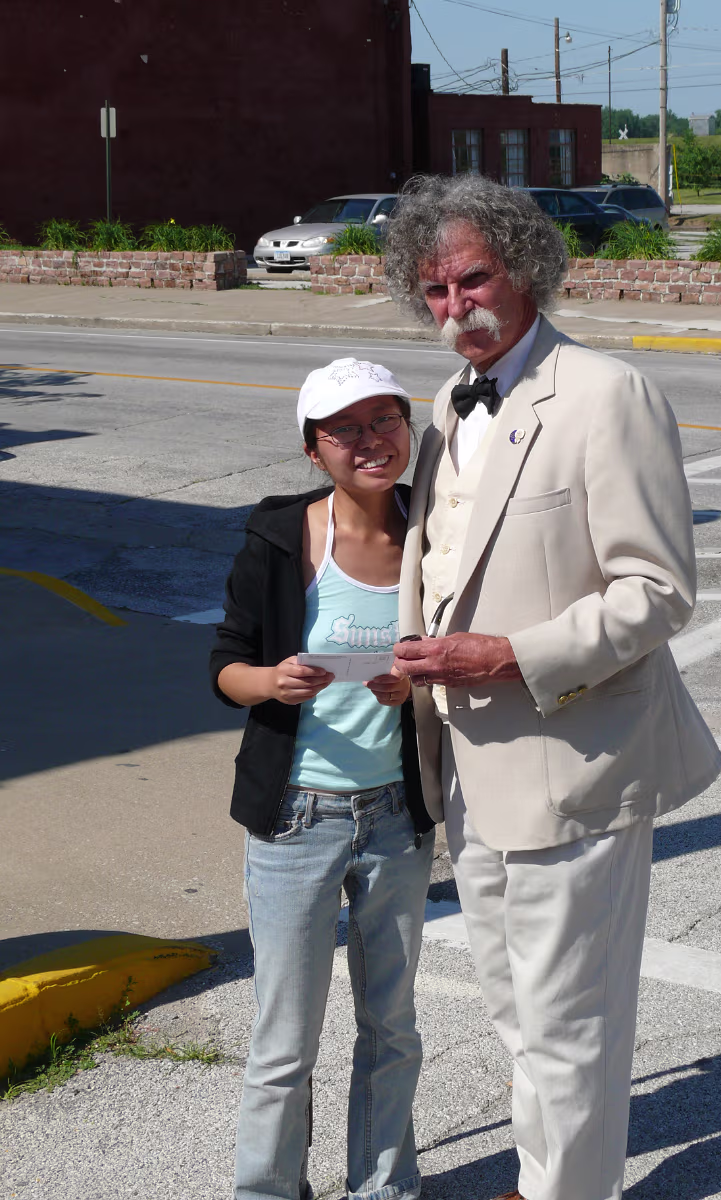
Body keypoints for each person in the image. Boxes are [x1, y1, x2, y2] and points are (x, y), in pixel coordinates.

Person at [383, 175, 721, 1200]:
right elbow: (441, 560)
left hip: (575, 767)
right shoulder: (448, 405)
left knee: (571, 1022)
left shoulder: (605, 394)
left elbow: (657, 591)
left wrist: (510, 656)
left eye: (473, 279)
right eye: (435, 291)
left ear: (527, 266)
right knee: (515, 1010)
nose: (456, 307)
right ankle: (547, 1181)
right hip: (470, 770)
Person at [210, 358, 436, 1200]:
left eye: (385, 420)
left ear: (407, 430)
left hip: (397, 819)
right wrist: (273, 681)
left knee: (392, 1026)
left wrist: (417, 686)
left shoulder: (436, 533)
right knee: (284, 1041)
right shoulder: (280, 539)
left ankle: (384, 1188)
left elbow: (459, 657)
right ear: (314, 450)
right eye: (345, 429)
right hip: (295, 819)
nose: (370, 441)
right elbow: (226, 666)